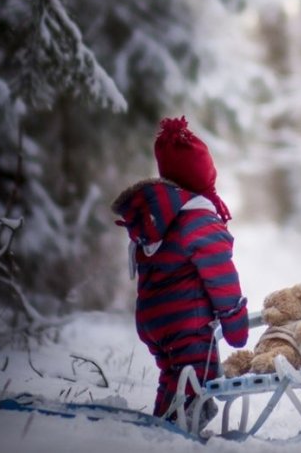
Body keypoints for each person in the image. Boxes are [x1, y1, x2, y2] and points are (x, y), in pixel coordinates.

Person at [112, 115, 249, 420]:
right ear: (204, 175)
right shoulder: (199, 217)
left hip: (154, 319)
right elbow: (219, 271)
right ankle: (182, 434)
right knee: (199, 381)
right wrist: (233, 316)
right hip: (187, 320)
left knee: (175, 376)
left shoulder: (158, 217)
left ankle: (163, 424)